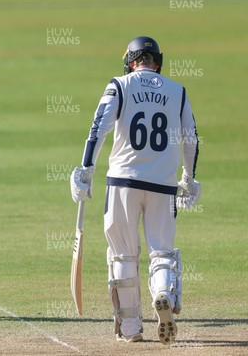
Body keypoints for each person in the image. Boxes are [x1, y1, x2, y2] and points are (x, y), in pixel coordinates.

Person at [69, 36, 200, 344]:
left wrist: (86, 169)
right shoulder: (177, 91)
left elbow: (98, 126)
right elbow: (191, 138)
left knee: (123, 255)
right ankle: (163, 292)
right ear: (157, 61)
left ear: (130, 60)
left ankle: (130, 327)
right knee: (162, 251)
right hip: (163, 185)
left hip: (123, 183)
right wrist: (189, 178)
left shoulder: (120, 84)